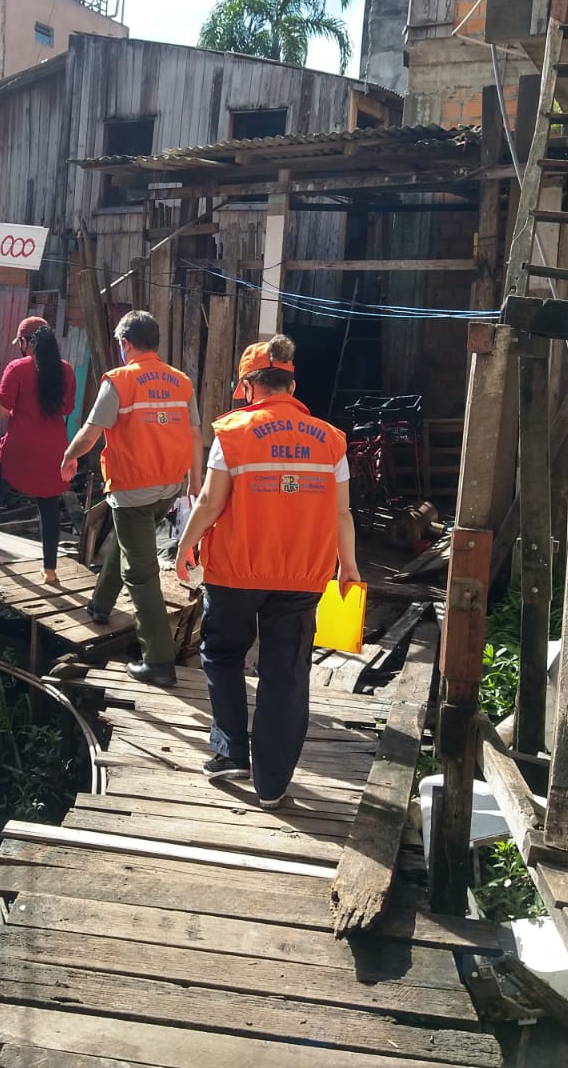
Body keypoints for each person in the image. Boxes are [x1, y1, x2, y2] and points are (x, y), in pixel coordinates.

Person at [173, 335, 361, 810]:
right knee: (286, 673)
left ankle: (230, 750)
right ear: (291, 383)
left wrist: (186, 544)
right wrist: (349, 566)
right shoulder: (330, 439)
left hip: (235, 571)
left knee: (221, 653)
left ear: (249, 386)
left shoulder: (232, 434)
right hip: (301, 576)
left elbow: (212, 502)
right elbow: (342, 515)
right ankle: (272, 784)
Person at [61, 311, 200, 687]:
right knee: (131, 546)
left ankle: (158, 661)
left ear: (126, 344)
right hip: (168, 487)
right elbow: (195, 436)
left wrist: (69, 455)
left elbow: (90, 433)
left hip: (133, 490)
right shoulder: (181, 382)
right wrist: (193, 484)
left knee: (141, 573)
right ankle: (100, 605)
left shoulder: (119, 381)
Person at [0, 317, 76, 586]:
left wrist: (9, 407)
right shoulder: (66, 371)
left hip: (19, 446)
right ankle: (50, 571)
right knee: (48, 508)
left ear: (26, 343)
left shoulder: (17, 368)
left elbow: (1, 409)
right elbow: (68, 409)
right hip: (53, 450)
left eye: (20, 343)